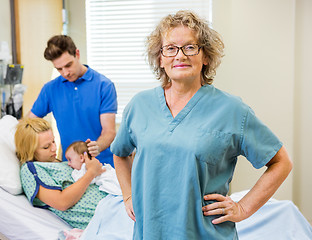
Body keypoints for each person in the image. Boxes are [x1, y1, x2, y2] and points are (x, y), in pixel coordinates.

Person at [111, 10, 293, 240]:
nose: (180, 55)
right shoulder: (139, 106)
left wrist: (243, 208)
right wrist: (128, 196)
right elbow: (119, 154)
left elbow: (281, 162)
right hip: (151, 233)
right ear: (160, 58)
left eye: (190, 47)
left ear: (205, 56)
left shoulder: (231, 110)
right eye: (170, 48)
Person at [26, 35, 117, 167]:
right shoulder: (50, 89)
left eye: (68, 65)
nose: (65, 73)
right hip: (70, 166)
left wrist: (97, 146)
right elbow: (29, 121)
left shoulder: (104, 86)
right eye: (59, 69)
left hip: (102, 165)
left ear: (77, 54)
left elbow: (109, 131)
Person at [15, 118, 107, 229]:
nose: (54, 148)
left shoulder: (58, 162)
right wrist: (91, 172)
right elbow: (62, 203)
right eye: (46, 147)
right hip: (105, 217)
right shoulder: (31, 169)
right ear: (30, 150)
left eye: (53, 141)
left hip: (113, 203)